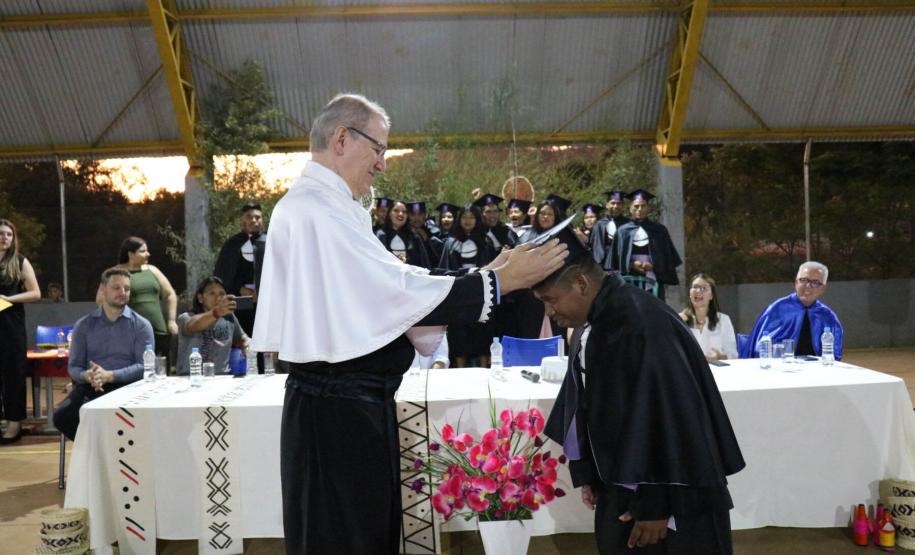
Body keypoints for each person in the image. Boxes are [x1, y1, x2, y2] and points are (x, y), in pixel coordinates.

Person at [249, 93, 567, 555]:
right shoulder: (317, 209)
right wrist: (500, 280)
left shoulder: (327, 206)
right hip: (337, 413)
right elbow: (392, 293)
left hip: (345, 407)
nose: (382, 165)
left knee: (361, 532)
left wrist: (485, 275)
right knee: (344, 537)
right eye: (378, 149)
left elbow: (398, 282)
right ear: (342, 138)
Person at [534, 222, 745, 555]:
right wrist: (588, 469)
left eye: (551, 299)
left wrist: (657, 502)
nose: (549, 311)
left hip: (664, 495)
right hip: (621, 482)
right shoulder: (595, 320)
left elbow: (670, 413)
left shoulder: (642, 323)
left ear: (580, 282)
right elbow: (588, 404)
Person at [53, 268, 153, 441]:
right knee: (62, 416)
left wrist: (110, 376)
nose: (122, 292)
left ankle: (112, 452)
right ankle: (96, 451)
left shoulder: (141, 325)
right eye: (116, 287)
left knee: (143, 419)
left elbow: (145, 367)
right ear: (103, 289)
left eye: (127, 289)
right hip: (92, 386)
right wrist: (88, 375)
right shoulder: (83, 325)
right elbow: (74, 367)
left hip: (129, 387)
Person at [740, 261, 843, 360]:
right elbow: (759, 350)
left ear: (823, 288)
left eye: (815, 282)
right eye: (804, 280)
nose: (808, 286)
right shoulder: (776, 310)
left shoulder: (827, 317)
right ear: (796, 282)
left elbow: (835, 355)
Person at [437, 203, 499, 367]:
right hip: (459, 292)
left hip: (482, 292)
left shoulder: (485, 240)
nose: (468, 220)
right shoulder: (451, 242)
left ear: (477, 220)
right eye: (464, 217)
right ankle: (459, 372)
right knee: (459, 336)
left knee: (483, 334)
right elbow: (445, 268)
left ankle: (485, 371)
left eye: (471, 217)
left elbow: (493, 266)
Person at [0, 219, 41, 444]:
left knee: (13, 375)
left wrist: (9, 299)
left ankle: (14, 425)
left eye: (8, 234)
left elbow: (35, 293)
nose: (4, 237)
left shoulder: (19, 261)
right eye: (1, 234)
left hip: (11, 327)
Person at [110, 237, 177, 360]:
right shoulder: (116, 272)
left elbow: (170, 295)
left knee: (161, 369)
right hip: (129, 334)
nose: (148, 254)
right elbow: (101, 300)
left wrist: (171, 320)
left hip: (158, 331)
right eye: (143, 251)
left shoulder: (152, 270)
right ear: (131, 254)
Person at [610, 189, 682, 300]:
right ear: (630, 209)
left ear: (648, 208)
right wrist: (631, 264)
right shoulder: (622, 231)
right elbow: (614, 261)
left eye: (643, 206)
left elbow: (668, 259)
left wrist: (653, 265)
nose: (639, 209)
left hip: (653, 280)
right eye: (636, 206)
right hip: (629, 282)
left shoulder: (659, 230)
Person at [176, 276, 249, 375]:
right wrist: (216, 312)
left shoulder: (229, 318)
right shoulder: (186, 317)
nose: (218, 298)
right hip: (191, 379)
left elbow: (242, 338)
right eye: (212, 293)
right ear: (200, 298)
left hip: (221, 379)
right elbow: (193, 325)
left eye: (221, 293)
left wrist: (245, 347)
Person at [214, 202, 267, 337]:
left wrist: (261, 290)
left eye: (257, 217)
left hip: (266, 303)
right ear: (242, 220)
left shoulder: (270, 242)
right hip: (239, 305)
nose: (253, 220)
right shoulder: (232, 245)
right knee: (242, 341)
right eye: (249, 217)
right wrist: (240, 289)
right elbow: (222, 275)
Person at [680, 273, 738, 361]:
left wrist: (719, 357)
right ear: (689, 293)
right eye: (695, 287)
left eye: (703, 288)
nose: (698, 291)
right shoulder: (679, 320)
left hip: (717, 372)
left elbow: (733, 355)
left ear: (711, 295)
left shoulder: (723, 320)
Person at [376, 200, 432, 268]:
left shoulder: (414, 237)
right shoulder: (380, 235)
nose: (400, 214)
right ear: (389, 214)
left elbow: (424, 263)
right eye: (396, 210)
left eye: (404, 212)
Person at [590, 190, 629, 272]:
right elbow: (597, 249)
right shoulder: (600, 225)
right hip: (605, 267)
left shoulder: (628, 224)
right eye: (613, 203)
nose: (616, 206)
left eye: (619, 203)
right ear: (607, 205)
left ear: (623, 206)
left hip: (624, 266)